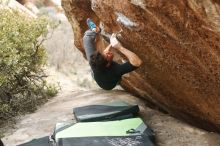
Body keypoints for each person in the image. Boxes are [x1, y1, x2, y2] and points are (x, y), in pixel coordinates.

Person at [83, 18, 142, 90]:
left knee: (87, 38)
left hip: (95, 73)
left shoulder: (94, 62)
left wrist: (111, 42)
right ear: (108, 64)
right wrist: (120, 48)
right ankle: (119, 81)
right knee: (118, 78)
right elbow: (137, 62)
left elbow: (88, 40)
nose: (106, 52)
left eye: (103, 53)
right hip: (110, 85)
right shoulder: (115, 71)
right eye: (107, 56)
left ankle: (96, 30)